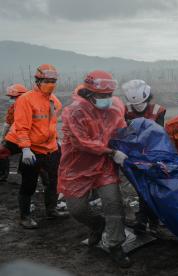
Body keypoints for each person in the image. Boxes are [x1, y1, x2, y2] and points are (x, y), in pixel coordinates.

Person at [58, 70, 132, 268]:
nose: (106, 99)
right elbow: (82, 142)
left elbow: (122, 131)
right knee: (77, 209)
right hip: (77, 165)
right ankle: (96, 224)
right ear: (89, 94)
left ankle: (116, 244)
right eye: (101, 96)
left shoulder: (115, 107)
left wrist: (127, 149)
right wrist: (111, 152)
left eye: (109, 95)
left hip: (104, 166)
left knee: (113, 202)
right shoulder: (74, 112)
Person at [2, 64, 67, 229]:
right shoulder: (26, 100)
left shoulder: (55, 102)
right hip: (32, 150)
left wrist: (56, 140)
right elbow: (21, 127)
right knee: (29, 184)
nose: (51, 83)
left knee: (53, 181)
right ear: (38, 81)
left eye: (53, 81)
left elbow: (51, 125)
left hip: (51, 149)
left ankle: (51, 210)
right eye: (47, 80)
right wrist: (25, 149)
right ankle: (24, 217)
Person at [122, 79, 164, 234]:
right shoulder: (124, 110)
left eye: (142, 102)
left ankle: (151, 220)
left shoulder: (158, 111)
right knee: (140, 188)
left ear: (148, 97)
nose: (139, 106)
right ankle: (143, 220)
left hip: (152, 155)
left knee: (151, 188)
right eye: (135, 104)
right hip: (131, 155)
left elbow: (159, 135)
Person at [0, 84, 28, 182]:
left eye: (13, 97)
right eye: (11, 97)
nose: (11, 99)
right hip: (18, 138)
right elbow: (7, 124)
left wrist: (3, 138)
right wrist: (3, 138)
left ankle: (3, 175)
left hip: (25, 138)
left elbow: (7, 125)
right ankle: (4, 174)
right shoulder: (13, 107)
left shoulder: (26, 107)